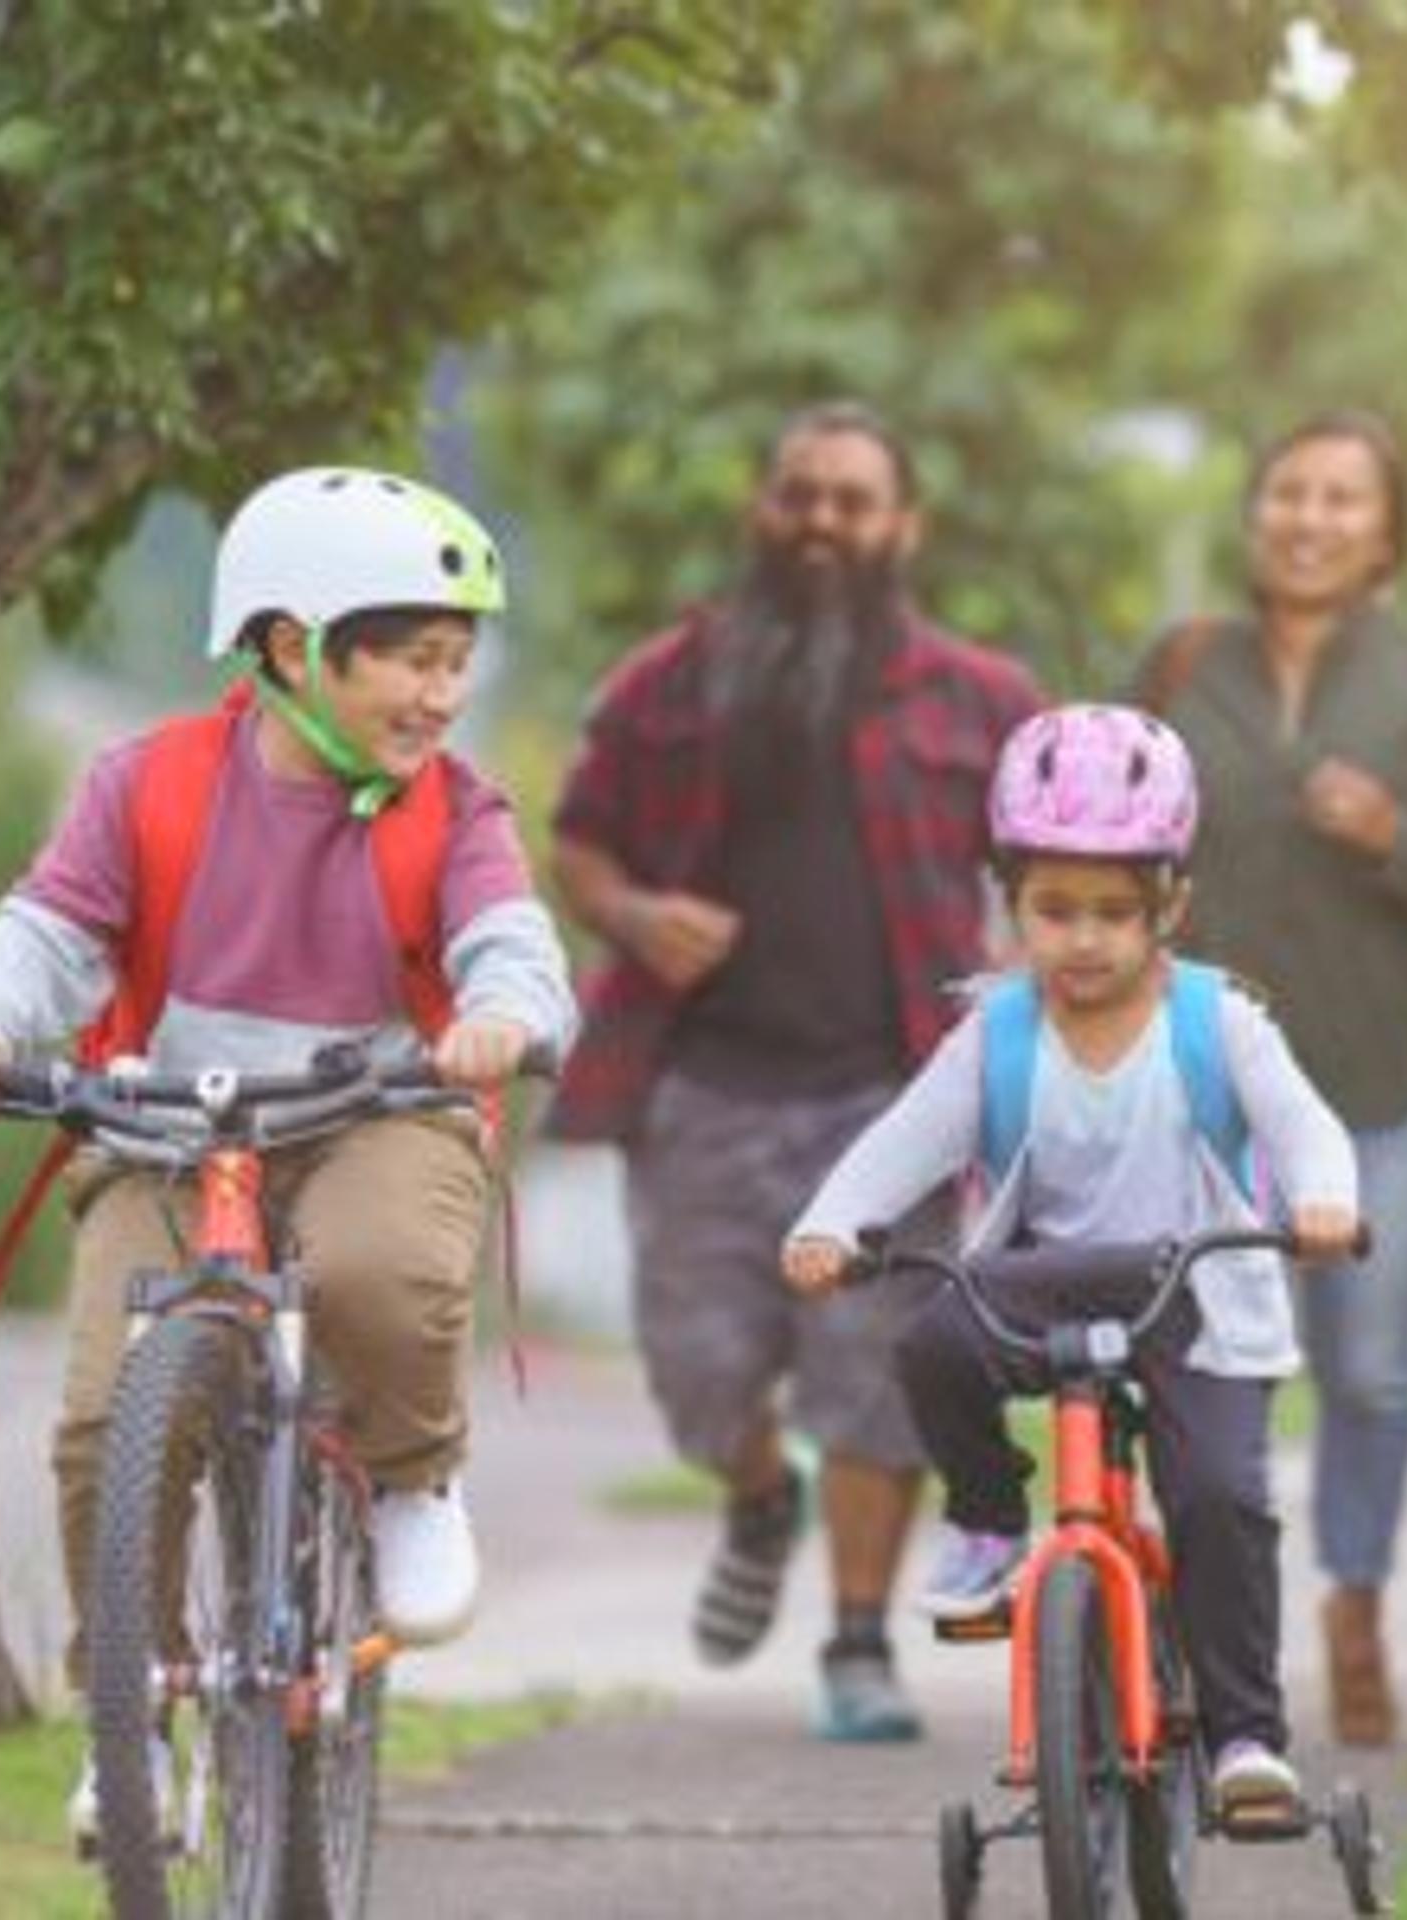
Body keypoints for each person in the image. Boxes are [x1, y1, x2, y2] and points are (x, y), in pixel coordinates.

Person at [0, 466, 576, 1838]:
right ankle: (130, 1712)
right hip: (169, 1126)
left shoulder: (458, 812)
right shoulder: (148, 788)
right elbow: (43, 942)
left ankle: (409, 1474)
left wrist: (507, 1016)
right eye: (409, 662)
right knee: (105, 1416)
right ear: (292, 649)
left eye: (459, 664)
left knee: (380, 1272)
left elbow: (513, 945)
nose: (440, 698)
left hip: (378, 1111)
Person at [547, 402, 1043, 1742]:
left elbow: (1066, 872)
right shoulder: (671, 680)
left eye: (853, 499)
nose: (822, 519)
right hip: (702, 1089)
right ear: (763, 511)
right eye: (800, 494)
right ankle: (760, 1495)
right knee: (699, 1374)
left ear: (904, 528)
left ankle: (858, 1646)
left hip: (901, 1093)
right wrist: (635, 916)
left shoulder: (983, 701)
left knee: (878, 1381)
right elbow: (578, 842)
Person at [779, 704, 1362, 1819]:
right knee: (936, 1339)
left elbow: (1303, 1126)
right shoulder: (994, 1033)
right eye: (1053, 911)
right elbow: (903, 1141)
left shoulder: (1217, 1022)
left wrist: (1326, 1200)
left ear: (1169, 909)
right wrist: (830, 1225)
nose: (1081, 940)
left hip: (1198, 1291)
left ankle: (1244, 1738)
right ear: (1012, 906)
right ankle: (992, 1513)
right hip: (1048, 1283)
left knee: (1219, 1499)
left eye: (1111, 914)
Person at [1125, 412, 1407, 1750]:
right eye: (1288, 492)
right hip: (1208, 1075)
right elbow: (1103, 832)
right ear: (1256, 518)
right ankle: (1188, 1619)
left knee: (1366, 1367)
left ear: (1388, 535)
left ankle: (1354, 1604)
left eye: (1342, 499)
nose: (1309, 517)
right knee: (1193, 1361)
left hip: (1393, 1070)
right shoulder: (1180, 668)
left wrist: (1390, 833)